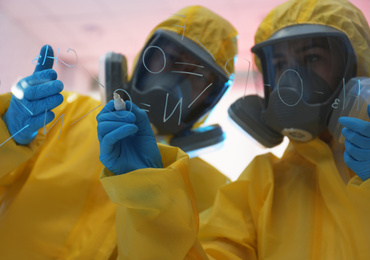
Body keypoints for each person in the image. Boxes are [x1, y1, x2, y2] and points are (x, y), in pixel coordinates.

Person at [97, 0, 370, 259]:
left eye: (312, 59)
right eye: (280, 64)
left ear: (356, 65)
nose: (291, 80)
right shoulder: (260, 185)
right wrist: (146, 195)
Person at [0, 6, 237, 259]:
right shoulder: (64, 113)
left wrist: (154, 193)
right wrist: (7, 132)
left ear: (211, 97)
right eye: (168, 59)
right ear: (144, 59)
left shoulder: (216, 192)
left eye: (197, 76)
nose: (173, 82)